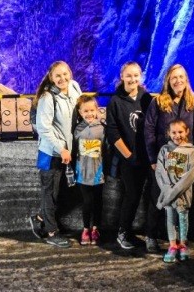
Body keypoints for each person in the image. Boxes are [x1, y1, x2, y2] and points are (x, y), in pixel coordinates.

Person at [144, 64, 194, 252]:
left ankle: (179, 239)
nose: (178, 80)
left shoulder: (192, 102)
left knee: (181, 198)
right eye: (174, 77)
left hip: (183, 161)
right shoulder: (158, 102)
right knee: (157, 196)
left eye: (181, 76)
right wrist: (152, 159)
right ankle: (151, 235)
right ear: (168, 80)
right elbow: (149, 130)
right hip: (162, 159)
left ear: (186, 79)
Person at [30, 61, 82, 248]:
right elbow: (44, 128)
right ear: (51, 78)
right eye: (58, 76)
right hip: (51, 153)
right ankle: (51, 232)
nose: (63, 79)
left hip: (67, 153)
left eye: (65, 74)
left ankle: (39, 218)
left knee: (60, 193)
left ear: (70, 73)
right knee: (50, 192)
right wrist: (61, 148)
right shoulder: (47, 97)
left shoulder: (74, 87)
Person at [105, 61, 152, 250]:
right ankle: (123, 231)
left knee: (148, 195)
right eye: (129, 75)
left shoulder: (146, 98)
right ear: (122, 77)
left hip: (147, 157)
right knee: (131, 195)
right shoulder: (115, 101)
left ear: (140, 77)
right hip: (129, 159)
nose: (133, 79)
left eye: (136, 75)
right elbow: (113, 132)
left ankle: (150, 233)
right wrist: (129, 156)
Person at [155, 119, 194, 263]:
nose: (177, 135)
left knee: (183, 218)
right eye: (173, 132)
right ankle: (172, 245)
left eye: (180, 132)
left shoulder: (191, 151)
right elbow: (160, 172)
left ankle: (183, 244)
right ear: (168, 133)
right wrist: (168, 190)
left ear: (186, 132)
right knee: (170, 219)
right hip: (168, 193)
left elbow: (190, 175)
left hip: (183, 194)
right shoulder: (164, 150)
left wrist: (176, 191)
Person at [73, 95, 105, 246]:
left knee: (98, 201)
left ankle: (96, 228)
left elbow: (107, 149)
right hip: (82, 173)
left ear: (97, 110)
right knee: (87, 202)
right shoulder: (77, 130)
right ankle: (85, 229)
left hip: (99, 172)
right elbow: (74, 150)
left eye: (92, 110)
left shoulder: (102, 129)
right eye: (86, 111)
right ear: (80, 112)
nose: (89, 114)